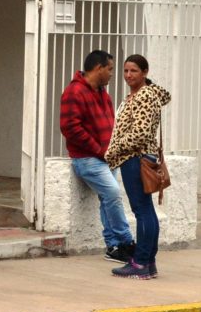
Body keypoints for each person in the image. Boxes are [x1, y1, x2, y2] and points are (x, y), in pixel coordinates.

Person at [60, 50, 135, 263]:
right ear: (98, 68)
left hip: (107, 157)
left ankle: (113, 247)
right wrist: (98, 150)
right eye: (110, 69)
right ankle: (127, 241)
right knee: (112, 193)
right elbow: (70, 128)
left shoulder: (103, 94)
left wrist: (113, 149)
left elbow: (112, 124)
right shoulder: (74, 92)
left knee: (107, 199)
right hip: (86, 159)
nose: (113, 74)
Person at [104, 54, 171, 280]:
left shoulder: (145, 96)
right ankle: (147, 262)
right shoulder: (137, 95)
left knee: (142, 211)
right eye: (125, 71)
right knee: (146, 210)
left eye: (133, 71)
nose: (128, 75)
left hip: (136, 158)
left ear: (145, 72)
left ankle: (141, 262)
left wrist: (113, 150)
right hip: (134, 157)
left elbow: (140, 133)